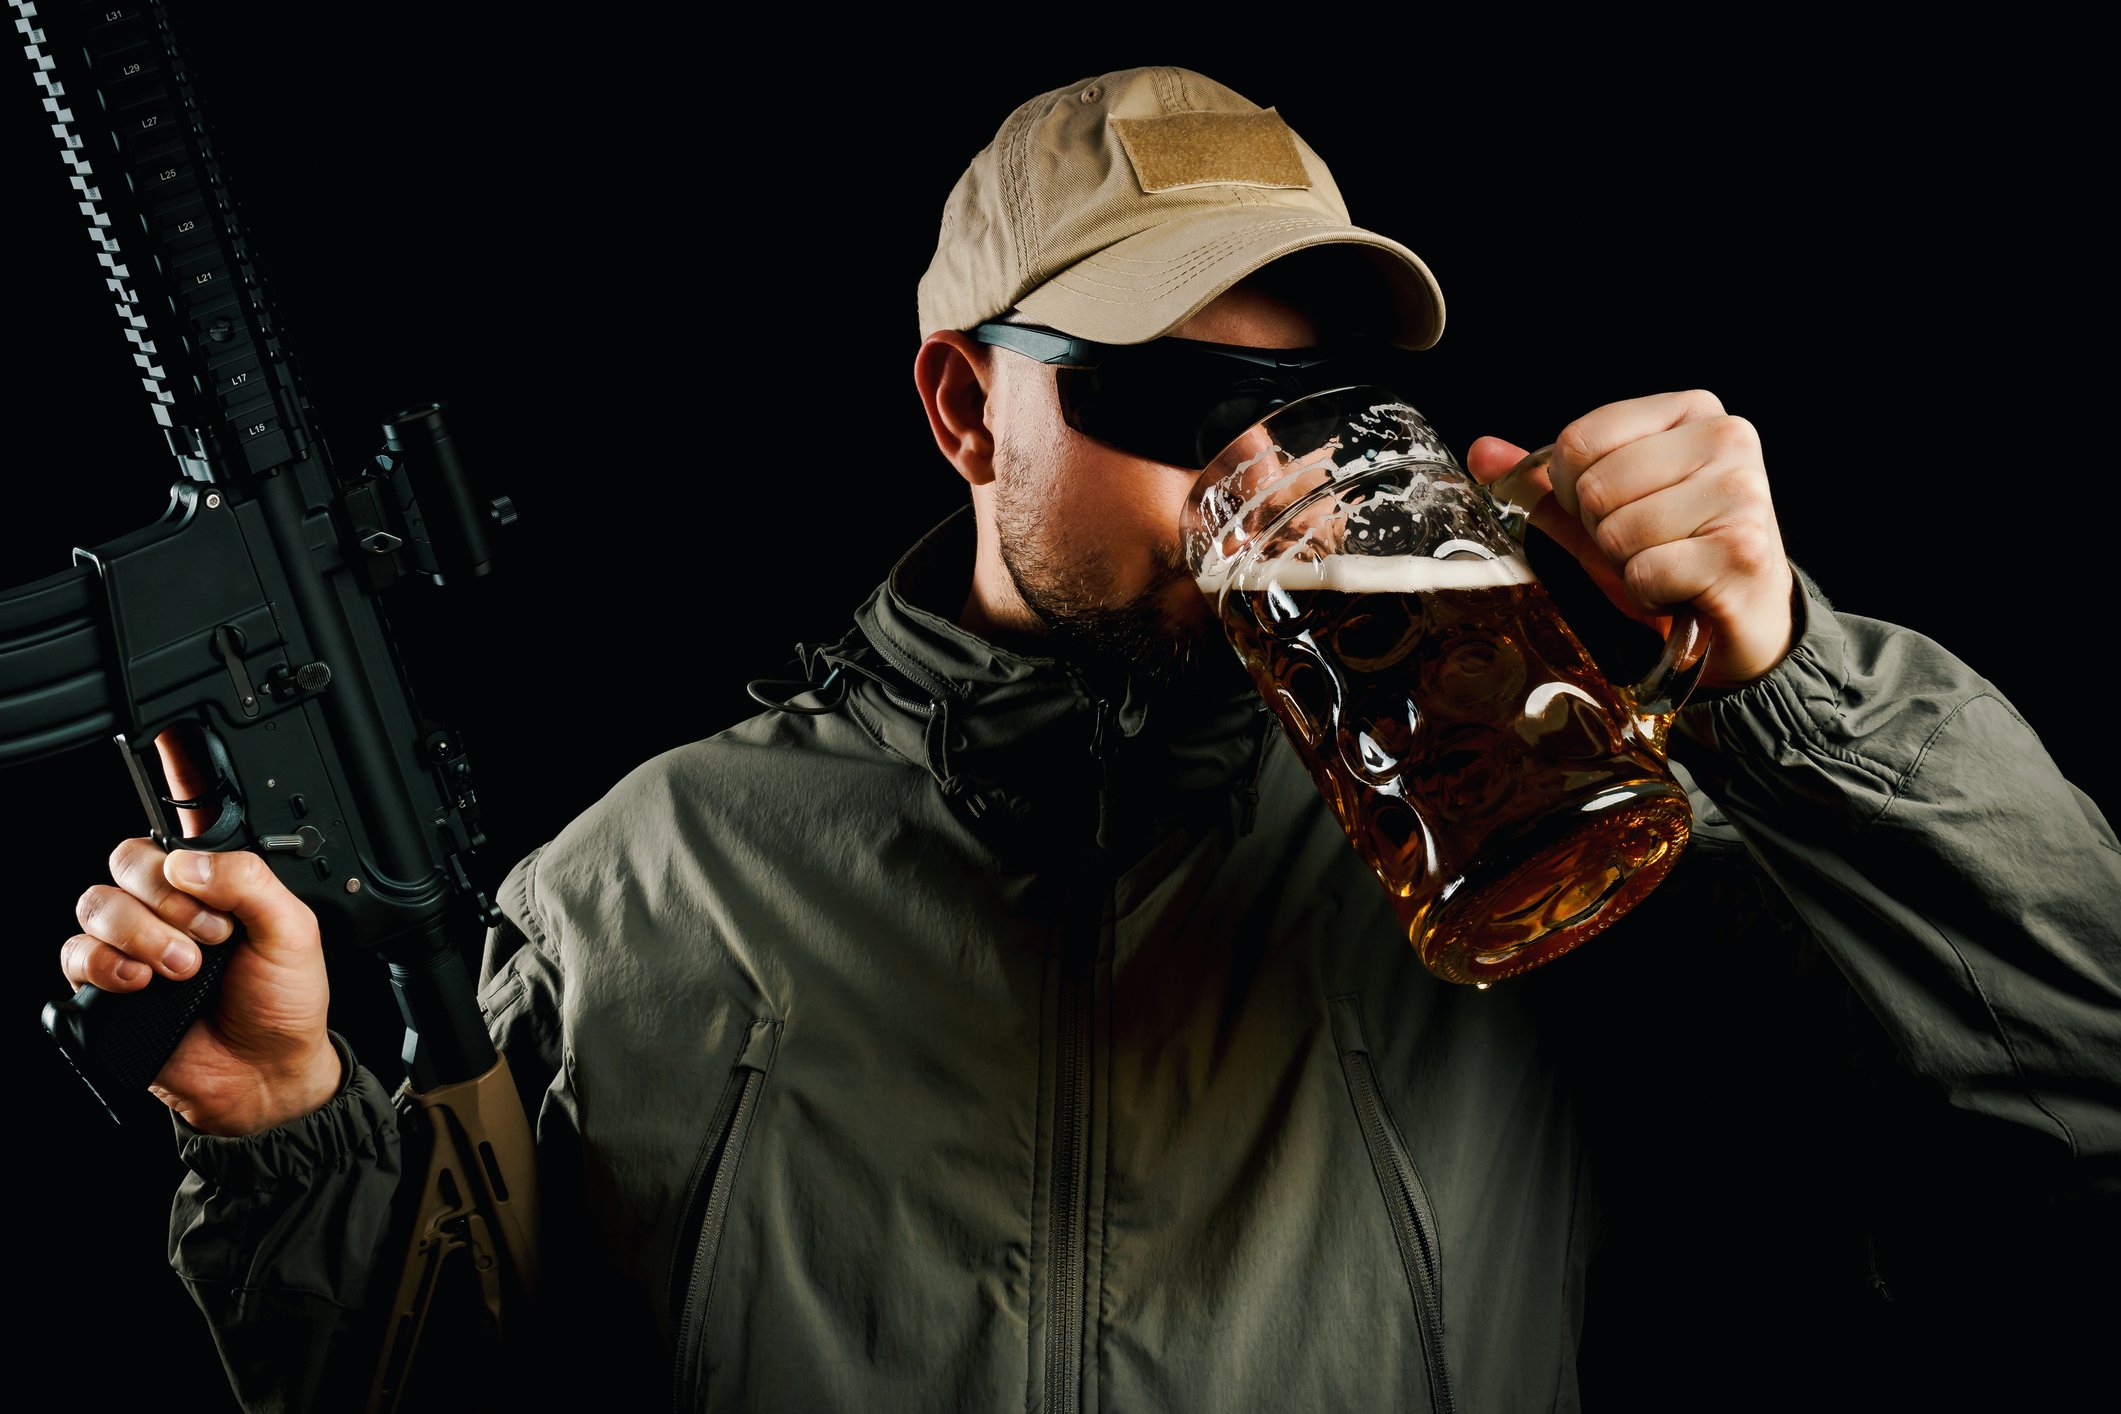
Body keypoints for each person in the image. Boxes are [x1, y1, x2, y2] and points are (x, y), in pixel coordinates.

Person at [57, 66, 2119, 1412]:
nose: (1260, 472)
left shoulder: (1540, 821)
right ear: (966, 409)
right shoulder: (637, 881)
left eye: (1306, 407)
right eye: (1159, 393)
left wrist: (1792, 693)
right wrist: (290, 1132)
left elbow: (2070, 1088)